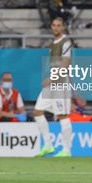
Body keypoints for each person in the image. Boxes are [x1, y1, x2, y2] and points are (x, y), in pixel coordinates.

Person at [34, 17, 74, 157]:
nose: (56, 27)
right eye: (54, 25)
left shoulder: (66, 42)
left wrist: (51, 78)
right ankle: (48, 146)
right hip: (52, 84)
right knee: (38, 111)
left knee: (62, 115)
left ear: (63, 27)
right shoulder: (53, 43)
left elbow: (65, 64)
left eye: (59, 25)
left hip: (61, 83)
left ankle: (67, 150)